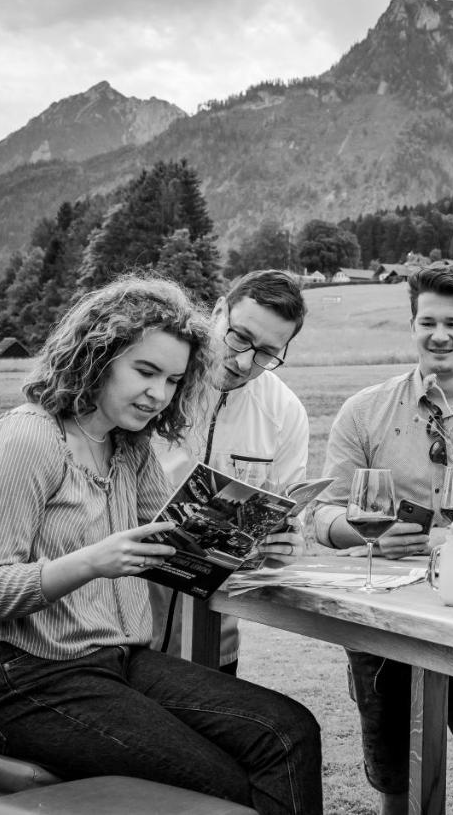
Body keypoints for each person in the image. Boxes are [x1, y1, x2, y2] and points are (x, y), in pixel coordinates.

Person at [0, 275, 322, 815]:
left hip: (116, 660)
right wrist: (91, 563)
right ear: (97, 356)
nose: (159, 394)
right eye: (145, 371)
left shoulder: (130, 448)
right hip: (29, 681)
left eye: (173, 380)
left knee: (288, 730)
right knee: (219, 783)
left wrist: (256, 538)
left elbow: (177, 547)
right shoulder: (27, 439)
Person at [310, 264, 453, 815]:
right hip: (386, 622)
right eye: (427, 322)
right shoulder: (364, 411)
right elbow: (322, 513)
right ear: (413, 326)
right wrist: (366, 534)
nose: (439, 335)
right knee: (405, 793)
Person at [151, 269, 311, 676]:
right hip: (127, 629)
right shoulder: (159, 378)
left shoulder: (286, 411)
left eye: (266, 354)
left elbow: (290, 512)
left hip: (215, 638)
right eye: (239, 337)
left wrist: (286, 543)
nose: (243, 362)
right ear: (219, 310)